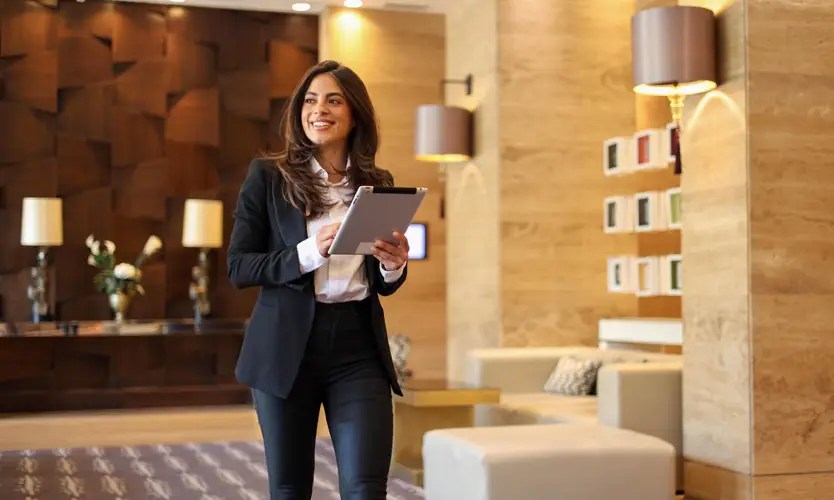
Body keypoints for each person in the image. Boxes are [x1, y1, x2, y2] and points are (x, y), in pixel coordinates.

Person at [227, 60, 410, 500]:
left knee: (366, 487)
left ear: (355, 114)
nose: (318, 110)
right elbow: (239, 266)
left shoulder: (376, 183)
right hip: (286, 347)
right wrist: (309, 252)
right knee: (290, 489)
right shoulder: (268, 177)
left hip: (358, 348)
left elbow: (378, 280)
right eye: (310, 101)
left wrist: (394, 265)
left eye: (333, 100)